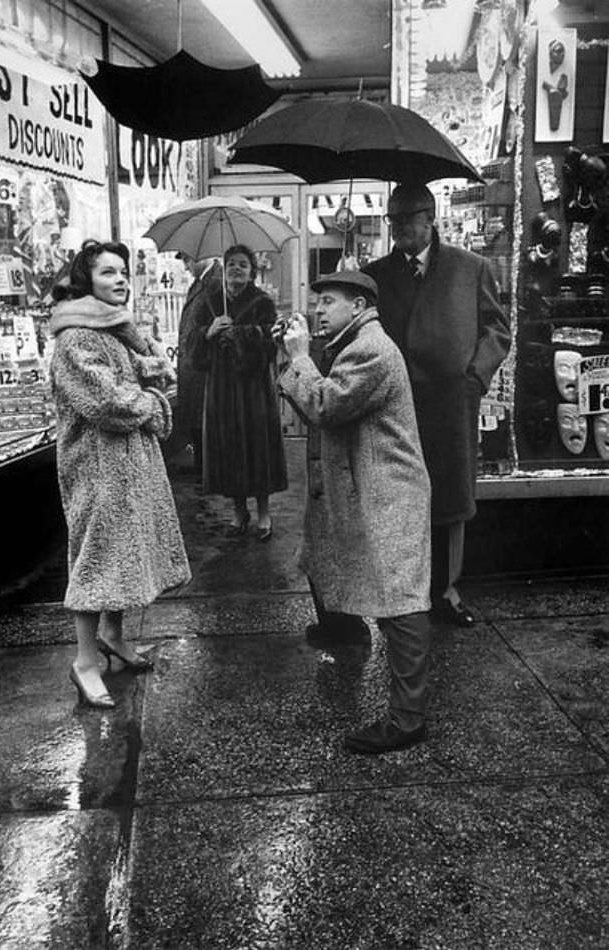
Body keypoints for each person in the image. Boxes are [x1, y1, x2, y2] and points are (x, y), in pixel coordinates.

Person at [277, 270, 432, 754]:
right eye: (317, 301)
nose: (318, 310)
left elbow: (325, 405)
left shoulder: (371, 349)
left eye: (328, 301)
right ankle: (345, 630)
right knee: (376, 586)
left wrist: (299, 359)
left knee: (401, 601)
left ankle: (408, 720)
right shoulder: (353, 342)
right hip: (370, 491)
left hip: (388, 494)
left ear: (360, 305)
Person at [50, 239, 191, 708]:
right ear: (85, 280)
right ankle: (85, 661)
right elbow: (107, 401)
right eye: (108, 272)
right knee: (96, 559)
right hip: (96, 467)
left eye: (123, 272)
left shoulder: (113, 329)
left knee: (124, 554)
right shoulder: (75, 337)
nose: (121, 280)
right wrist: (153, 404)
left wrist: (142, 347)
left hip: (128, 464)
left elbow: (146, 375)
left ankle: (114, 636)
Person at [363, 183, 511, 627]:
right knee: (397, 498)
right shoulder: (375, 274)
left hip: (450, 404)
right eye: (393, 220)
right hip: (395, 405)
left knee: (448, 500)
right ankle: (402, 594)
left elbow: (497, 330)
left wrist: (474, 380)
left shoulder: (471, 268)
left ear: (431, 220)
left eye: (407, 219)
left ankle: (446, 591)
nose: (399, 228)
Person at [189, 244, 287, 540]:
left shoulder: (262, 303)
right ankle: (238, 511)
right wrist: (209, 332)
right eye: (231, 264)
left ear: (252, 272)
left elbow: (271, 342)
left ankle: (264, 513)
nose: (236, 269)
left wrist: (241, 335)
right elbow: (192, 346)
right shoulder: (209, 302)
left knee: (258, 447)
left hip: (254, 389)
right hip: (221, 388)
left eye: (243, 264)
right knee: (229, 447)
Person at [170, 256, 222, 481]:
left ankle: (210, 471)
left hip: (204, 367)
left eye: (188, 260)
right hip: (193, 365)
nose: (186, 266)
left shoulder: (217, 282)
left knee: (205, 420)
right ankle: (202, 467)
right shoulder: (201, 282)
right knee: (195, 420)